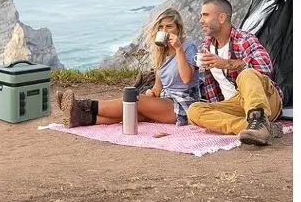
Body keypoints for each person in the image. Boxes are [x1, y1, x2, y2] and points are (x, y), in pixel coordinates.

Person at [56, 8, 199, 127]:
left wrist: (179, 49)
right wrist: (152, 93)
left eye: (169, 26)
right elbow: (158, 86)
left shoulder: (188, 46)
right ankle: (81, 118)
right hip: (165, 100)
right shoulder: (162, 52)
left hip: (184, 104)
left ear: (178, 29)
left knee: (137, 101)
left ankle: (82, 104)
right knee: (132, 114)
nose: (164, 30)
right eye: (161, 27)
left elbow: (186, 79)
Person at [186, 0, 283, 147]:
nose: (200, 20)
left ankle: (259, 119)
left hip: (264, 98)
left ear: (222, 18)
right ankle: (254, 128)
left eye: (205, 15)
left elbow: (265, 68)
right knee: (194, 110)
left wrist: (227, 64)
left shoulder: (244, 39)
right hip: (235, 104)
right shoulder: (207, 47)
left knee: (247, 73)